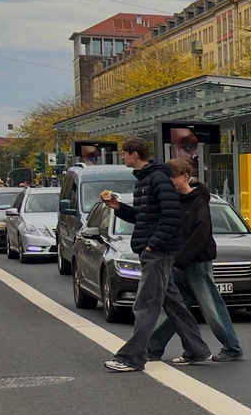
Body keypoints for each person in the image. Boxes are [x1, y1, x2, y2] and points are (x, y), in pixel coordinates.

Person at [100, 136, 208, 373]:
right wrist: (119, 208)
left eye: (124, 153)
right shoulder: (146, 180)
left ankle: (132, 358)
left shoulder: (157, 179)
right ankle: (197, 349)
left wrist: (153, 245)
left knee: (146, 304)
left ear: (135, 155)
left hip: (158, 251)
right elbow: (144, 216)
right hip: (155, 249)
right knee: (173, 303)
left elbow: (171, 217)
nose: (123, 157)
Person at [147, 157, 243, 362]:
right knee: (175, 311)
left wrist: (181, 260)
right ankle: (153, 349)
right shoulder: (172, 202)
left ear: (185, 177)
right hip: (177, 265)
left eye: (171, 177)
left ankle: (233, 348)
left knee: (212, 309)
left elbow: (202, 233)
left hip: (196, 264)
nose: (169, 181)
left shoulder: (199, 201)